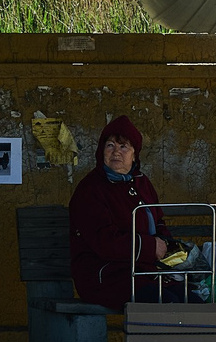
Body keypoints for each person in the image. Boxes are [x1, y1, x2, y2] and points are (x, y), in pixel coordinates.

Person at [68, 115, 166, 309]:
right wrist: (149, 247)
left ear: (134, 155)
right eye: (110, 145)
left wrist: (170, 248)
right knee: (162, 301)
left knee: (191, 297)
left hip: (142, 271)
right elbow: (105, 241)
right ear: (101, 151)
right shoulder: (91, 189)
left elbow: (158, 221)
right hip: (107, 275)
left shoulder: (141, 182)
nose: (116, 153)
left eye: (124, 147)